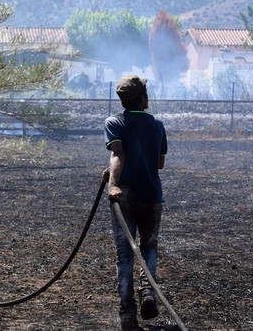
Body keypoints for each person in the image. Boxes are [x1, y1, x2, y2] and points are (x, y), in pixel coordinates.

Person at [104, 75, 167, 331]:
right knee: (149, 248)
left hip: (126, 197)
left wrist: (113, 183)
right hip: (151, 196)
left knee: (125, 255)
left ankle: (128, 315)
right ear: (143, 98)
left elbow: (118, 153)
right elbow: (159, 163)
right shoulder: (157, 126)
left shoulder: (114, 122)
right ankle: (148, 293)